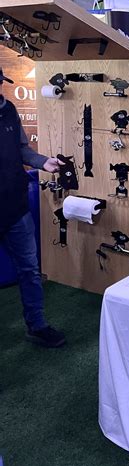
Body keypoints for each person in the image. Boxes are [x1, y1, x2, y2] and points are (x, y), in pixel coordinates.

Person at [0, 68, 66, 348]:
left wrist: (42, 162)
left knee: (29, 269)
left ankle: (37, 326)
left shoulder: (9, 110)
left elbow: (22, 149)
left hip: (15, 207)